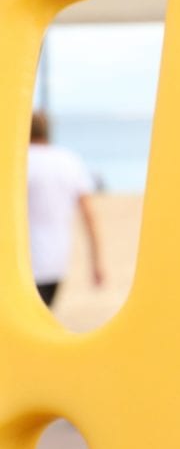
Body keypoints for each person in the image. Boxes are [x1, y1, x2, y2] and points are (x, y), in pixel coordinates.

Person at [27, 112, 104, 306]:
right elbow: (89, 216)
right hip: (57, 261)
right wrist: (96, 262)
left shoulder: (18, 162)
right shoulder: (69, 161)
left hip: (22, 264)